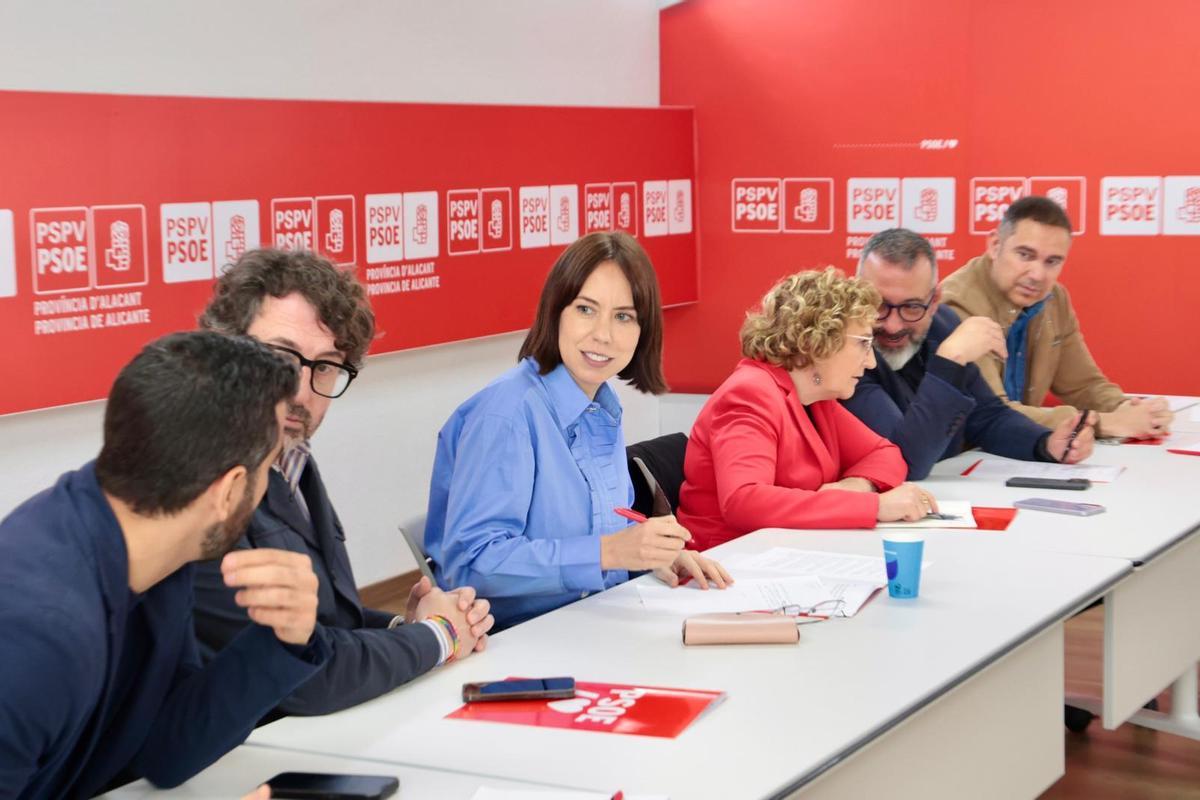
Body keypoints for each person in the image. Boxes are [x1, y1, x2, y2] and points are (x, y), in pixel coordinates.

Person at [0, 332, 328, 796]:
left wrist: (281, 641)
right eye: (271, 463)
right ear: (230, 489)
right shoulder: (35, 633)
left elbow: (164, 752)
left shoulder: (159, 559)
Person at [195, 248, 494, 718]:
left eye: (325, 366)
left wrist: (404, 625)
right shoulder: (201, 484)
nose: (301, 390)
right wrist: (439, 635)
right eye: (281, 356)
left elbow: (328, 623)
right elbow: (302, 674)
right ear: (224, 348)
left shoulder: (291, 456)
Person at [426, 231, 731, 629]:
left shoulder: (600, 405)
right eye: (586, 309)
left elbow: (600, 529)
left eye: (623, 316)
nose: (603, 334)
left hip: (594, 622)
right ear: (556, 311)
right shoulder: (506, 415)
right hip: (521, 642)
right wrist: (609, 553)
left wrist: (651, 555)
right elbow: (473, 564)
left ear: (643, 332)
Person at [677, 268, 935, 552]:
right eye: (863, 343)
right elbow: (744, 500)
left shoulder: (816, 400)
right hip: (726, 562)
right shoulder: (749, 395)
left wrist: (857, 486)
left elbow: (885, 454)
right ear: (817, 342)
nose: (871, 362)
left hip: (781, 553)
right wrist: (874, 506)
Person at [845, 228, 1096, 479]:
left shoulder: (943, 323)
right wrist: (949, 362)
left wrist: (1045, 444)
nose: (893, 325)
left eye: (912, 307)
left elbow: (987, 417)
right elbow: (903, 461)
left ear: (934, 302)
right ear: (856, 295)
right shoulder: (842, 350)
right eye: (878, 304)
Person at [940, 196, 1173, 438]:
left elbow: (1084, 385)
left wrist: (1132, 410)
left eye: (1052, 261)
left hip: (1017, 452)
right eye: (1025, 255)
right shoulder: (957, 305)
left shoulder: (1053, 299)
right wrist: (1103, 423)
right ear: (995, 245)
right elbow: (994, 414)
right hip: (963, 458)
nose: (1038, 275)